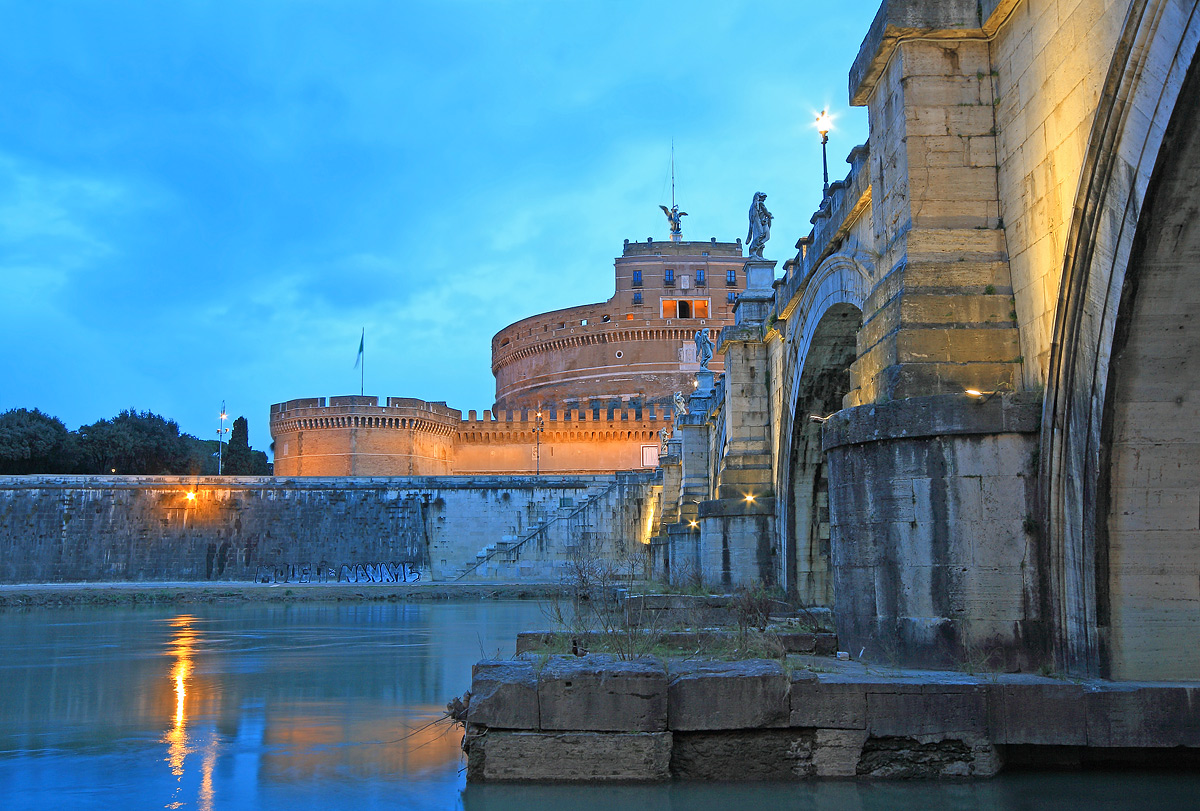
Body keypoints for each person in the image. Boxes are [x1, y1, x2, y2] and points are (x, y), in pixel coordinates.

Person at [747, 191, 773, 258]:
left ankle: (758, 249)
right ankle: (755, 248)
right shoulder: (760, 204)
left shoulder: (754, 206)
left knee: (764, 237)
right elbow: (766, 211)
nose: (764, 199)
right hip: (763, 223)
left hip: (764, 223)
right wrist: (770, 215)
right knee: (765, 237)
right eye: (763, 197)